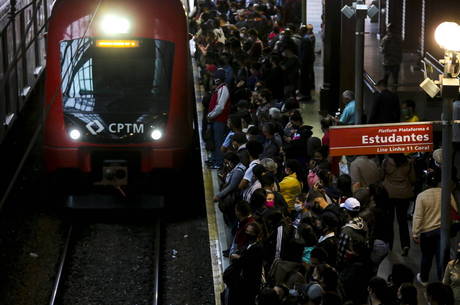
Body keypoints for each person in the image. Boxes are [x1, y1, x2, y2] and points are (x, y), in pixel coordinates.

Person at [412, 167, 457, 285]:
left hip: (427, 232)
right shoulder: (446, 193)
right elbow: (455, 210)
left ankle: (424, 279)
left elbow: (418, 216)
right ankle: (443, 281)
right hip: (443, 231)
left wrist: (415, 233)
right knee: (442, 258)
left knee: (426, 257)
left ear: (426, 182)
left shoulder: (421, 196)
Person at [382, 154, 415, 256]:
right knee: (402, 221)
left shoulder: (386, 162)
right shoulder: (408, 162)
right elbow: (413, 178)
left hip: (389, 193)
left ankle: (389, 246)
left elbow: (381, 176)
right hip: (403, 194)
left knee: (389, 221)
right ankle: (405, 245)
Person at [208, 68, 231, 169]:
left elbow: (220, 107)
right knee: (215, 140)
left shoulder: (223, 89)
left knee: (219, 141)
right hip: (216, 119)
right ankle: (214, 159)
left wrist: (210, 115)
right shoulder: (219, 88)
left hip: (219, 120)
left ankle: (219, 162)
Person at [380, 23, 402, 88]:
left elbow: (382, 50)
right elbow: (400, 49)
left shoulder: (386, 39)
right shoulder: (397, 38)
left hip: (389, 60)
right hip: (394, 60)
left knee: (387, 75)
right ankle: (393, 86)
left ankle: (385, 87)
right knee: (394, 76)